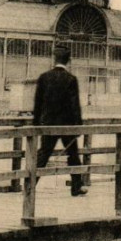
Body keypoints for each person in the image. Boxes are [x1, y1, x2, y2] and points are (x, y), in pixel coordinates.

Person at [32, 45, 87, 196]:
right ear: (68, 60)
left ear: (54, 59)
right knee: (73, 155)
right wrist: (78, 125)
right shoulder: (71, 79)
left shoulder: (44, 77)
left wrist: (36, 123)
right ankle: (76, 187)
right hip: (67, 125)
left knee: (43, 155)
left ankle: (29, 185)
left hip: (48, 124)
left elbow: (38, 103)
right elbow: (75, 105)